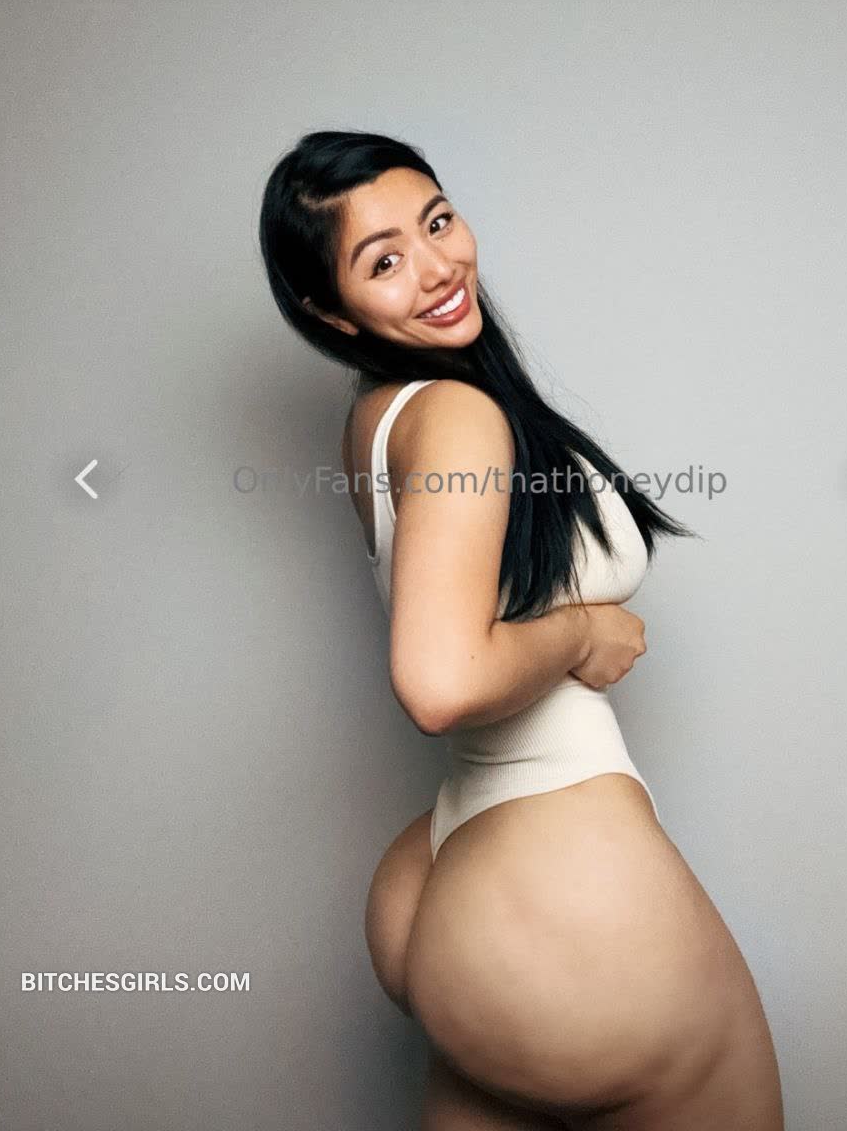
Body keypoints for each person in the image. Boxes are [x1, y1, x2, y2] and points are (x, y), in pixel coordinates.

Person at [259, 130, 785, 1130]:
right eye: (383, 261)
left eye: (437, 221)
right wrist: (581, 635)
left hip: (456, 881)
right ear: (330, 311)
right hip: (562, 891)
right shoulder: (456, 416)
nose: (436, 266)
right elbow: (440, 681)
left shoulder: (383, 416)